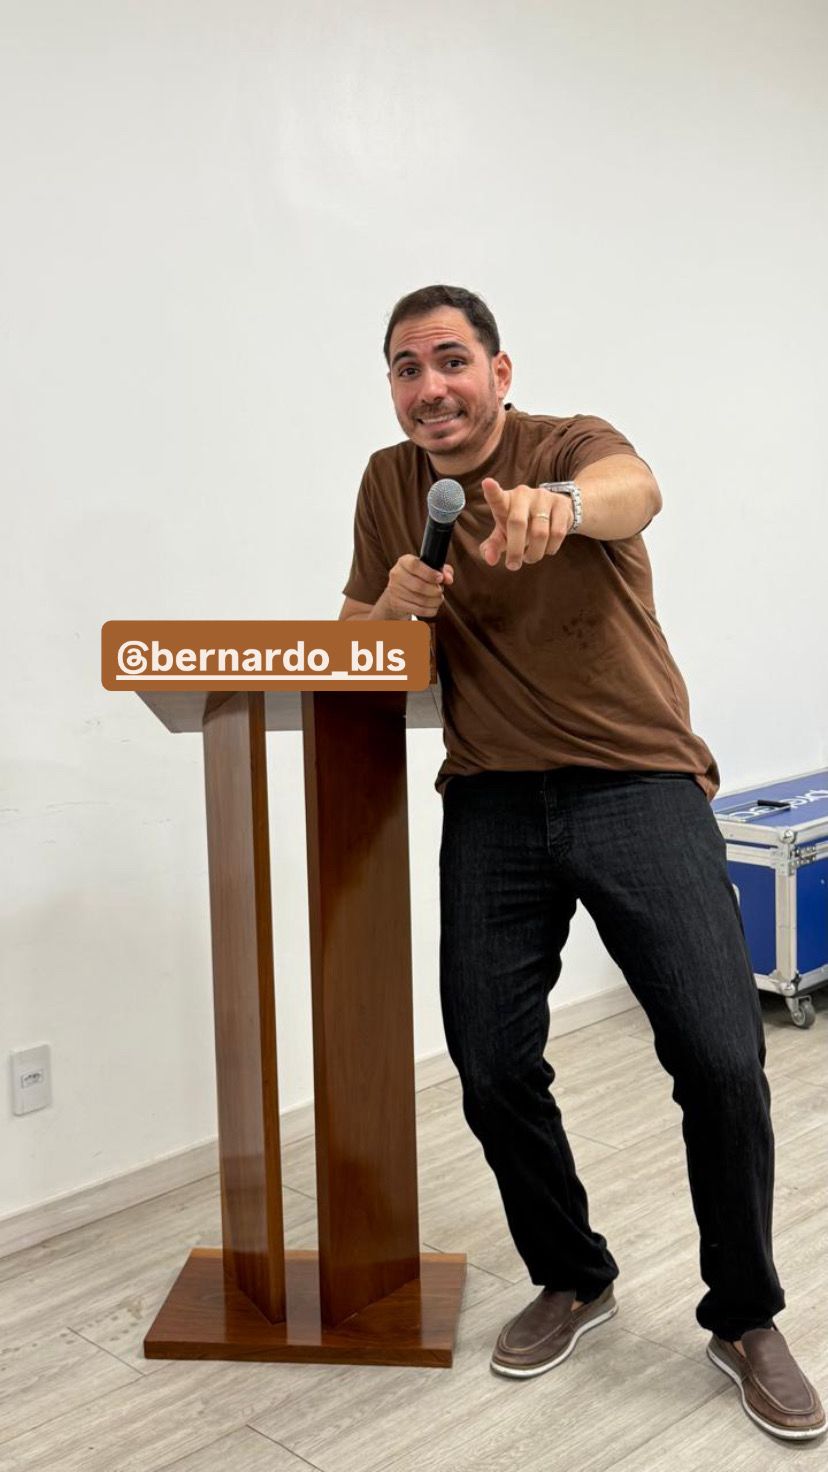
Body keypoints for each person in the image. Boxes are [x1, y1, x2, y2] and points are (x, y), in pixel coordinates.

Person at [338, 284, 825, 1442]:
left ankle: (745, 1315)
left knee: (721, 1059)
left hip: (637, 782)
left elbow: (634, 489)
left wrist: (557, 506)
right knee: (491, 1063)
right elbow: (357, 651)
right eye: (406, 367)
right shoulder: (389, 483)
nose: (430, 386)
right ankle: (573, 1273)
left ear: (499, 372)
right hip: (491, 796)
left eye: (451, 359)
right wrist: (389, 610)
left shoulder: (568, 445)